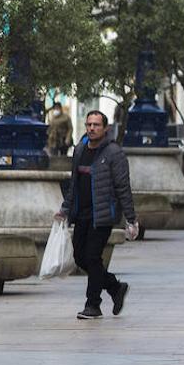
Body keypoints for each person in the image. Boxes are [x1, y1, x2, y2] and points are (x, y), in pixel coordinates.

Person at [55, 110, 139, 320]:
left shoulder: (114, 153)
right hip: (81, 215)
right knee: (80, 257)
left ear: (105, 128)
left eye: (96, 125)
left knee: (92, 257)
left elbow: (123, 187)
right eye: (89, 124)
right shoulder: (80, 149)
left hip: (102, 215)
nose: (92, 128)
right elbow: (73, 184)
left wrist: (131, 218)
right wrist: (65, 209)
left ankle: (93, 305)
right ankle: (114, 287)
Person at [46, 101, 74, 167]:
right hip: (53, 140)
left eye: (57, 108)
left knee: (63, 156)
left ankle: (63, 168)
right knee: (53, 156)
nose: (56, 110)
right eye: (55, 108)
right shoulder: (52, 118)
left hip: (63, 140)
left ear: (60, 108)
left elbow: (70, 129)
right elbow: (50, 129)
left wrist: (68, 139)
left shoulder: (66, 117)